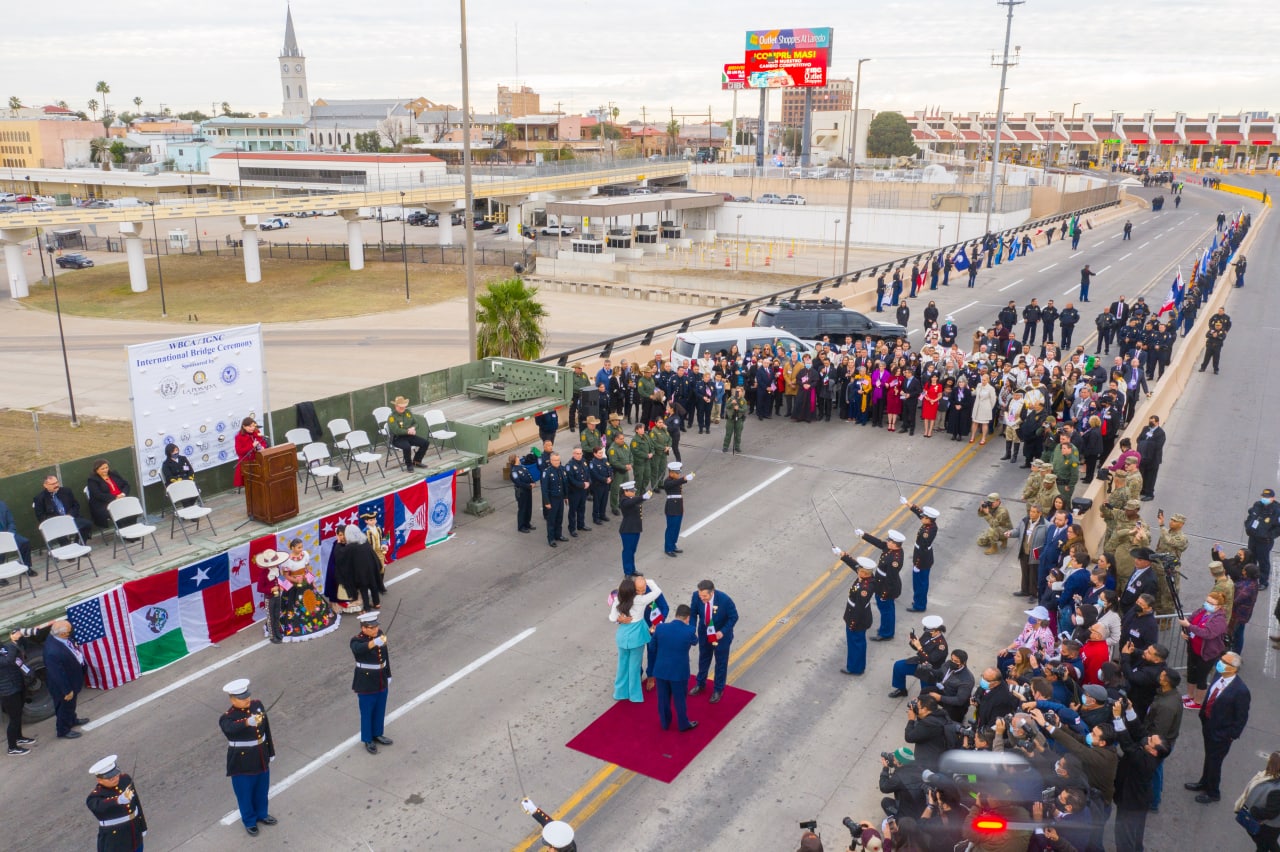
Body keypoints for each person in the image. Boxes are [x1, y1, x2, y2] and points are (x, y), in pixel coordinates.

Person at [1186, 652, 1251, 803]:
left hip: (1222, 733)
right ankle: (1204, 782)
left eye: (1224, 662)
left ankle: (1213, 792)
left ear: (1234, 669)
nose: (1220, 663)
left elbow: (1241, 717)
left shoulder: (1240, 691)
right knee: (1209, 757)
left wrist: (1230, 735)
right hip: (1208, 724)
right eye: (1221, 659)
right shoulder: (1218, 676)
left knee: (1215, 762)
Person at [219, 678, 277, 836]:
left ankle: (262, 814)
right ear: (232, 699)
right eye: (242, 698)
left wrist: (270, 752)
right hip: (242, 763)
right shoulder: (227, 717)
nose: (247, 700)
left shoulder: (257, 705)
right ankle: (250, 821)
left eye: (247, 696)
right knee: (245, 794)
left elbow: (266, 731)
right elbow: (230, 729)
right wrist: (247, 722)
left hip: (261, 756)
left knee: (261, 790)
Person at [609, 575, 664, 703]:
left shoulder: (618, 600)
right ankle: (634, 695)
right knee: (634, 666)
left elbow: (612, 618)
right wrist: (647, 580)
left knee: (622, 664)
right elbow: (657, 591)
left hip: (623, 635)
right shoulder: (641, 600)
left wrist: (619, 619)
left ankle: (620, 692)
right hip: (637, 636)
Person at [351, 611, 393, 755]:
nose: (375, 630)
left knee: (380, 708)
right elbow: (359, 649)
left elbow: (385, 656)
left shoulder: (379, 634)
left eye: (376, 627)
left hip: (381, 678)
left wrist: (388, 674)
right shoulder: (356, 640)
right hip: (366, 681)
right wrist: (374, 643)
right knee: (367, 711)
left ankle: (377, 733)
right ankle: (368, 739)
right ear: (364, 628)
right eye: (372, 627)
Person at [85, 754, 147, 852]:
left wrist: (143, 827)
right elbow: (100, 806)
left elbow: (136, 804)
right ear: (99, 779)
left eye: (116, 774)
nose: (115, 779)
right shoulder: (95, 797)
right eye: (110, 778)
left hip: (135, 833)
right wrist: (118, 800)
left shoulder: (125, 780)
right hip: (116, 841)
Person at [690, 579, 738, 703]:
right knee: (703, 658)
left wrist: (722, 632)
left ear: (712, 593)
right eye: (700, 596)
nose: (702, 598)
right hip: (704, 633)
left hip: (720, 636)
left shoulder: (724, 600)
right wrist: (691, 629)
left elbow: (734, 617)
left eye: (705, 596)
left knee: (721, 663)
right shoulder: (696, 596)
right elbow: (693, 614)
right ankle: (700, 684)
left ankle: (718, 689)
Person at [652, 604, 698, 732]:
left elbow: (652, 647)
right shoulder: (689, 631)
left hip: (661, 669)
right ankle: (683, 724)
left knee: (662, 699)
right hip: (679, 672)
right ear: (687, 618)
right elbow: (695, 641)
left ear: (676, 614)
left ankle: (665, 723)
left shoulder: (660, 628)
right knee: (680, 700)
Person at [275, 551, 340, 642]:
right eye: (298, 547)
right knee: (294, 606)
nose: (300, 549)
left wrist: (312, 581)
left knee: (313, 603)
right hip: (294, 587)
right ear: (293, 548)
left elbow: (307, 569)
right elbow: (286, 576)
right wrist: (295, 580)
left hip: (306, 584)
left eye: (301, 547)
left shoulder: (304, 555)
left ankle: (316, 622)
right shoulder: (287, 561)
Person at [1179, 590, 1228, 710]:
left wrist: (1189, 626)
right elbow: (1190, 620)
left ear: (1219, 606)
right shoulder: (1201, 611)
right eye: (1207, 601)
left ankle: (1198, 701)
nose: (1207, 604)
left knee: (1201, 677)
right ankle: (1190, 695)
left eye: (1211, 603)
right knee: (1191, 673)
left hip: (1207, 653)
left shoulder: (1219, 620)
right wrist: (1184, 631)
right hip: (1193, 648)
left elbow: (1207, 633)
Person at [856, 527, 905, 641]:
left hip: (886, 587)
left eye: (889, 541)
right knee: (888, 610)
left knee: (886, 611)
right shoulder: (891, 549)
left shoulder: (895, 560)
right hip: (881, 583)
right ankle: (886, 629)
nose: (887, 542)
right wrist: (864, 535)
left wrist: (884, 594)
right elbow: (879, 543)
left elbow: (891, 579)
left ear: (895, 544)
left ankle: (886, 633)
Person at [45, 619, 88, 739]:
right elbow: (57, 674)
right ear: (62, 634)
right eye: (69, 631)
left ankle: (72, 719)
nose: (71, 633)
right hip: (63, 685)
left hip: (72, 678)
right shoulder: (52, 652)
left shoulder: (59, 637)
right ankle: (63, 730)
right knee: (64, 707)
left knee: (71, 704)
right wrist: (66, 690)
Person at [888, 615, 948, 698]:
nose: (928, 633)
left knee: (925, 694)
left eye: (931, 631)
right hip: (920, 662)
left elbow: (930, 659)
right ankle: (901, 689)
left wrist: (919, 648)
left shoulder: (941, 646)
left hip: (930, 669)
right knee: (898, 666)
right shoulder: (928, 634)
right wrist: (913, 642)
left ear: (938, 631)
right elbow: (919, 645)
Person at [838, 555, 877, 675]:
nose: (857, 571)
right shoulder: (867, 577)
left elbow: (859, 608)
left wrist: (852, 623)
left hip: (857, 618)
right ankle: (856, 665)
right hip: (855, 614)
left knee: (856, 643)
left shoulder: (864, 589)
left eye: (859, 571)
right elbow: (854, 565)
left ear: (864, 574)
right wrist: (844, 556)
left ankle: (855, 668)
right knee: (855, 642)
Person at [1, 627, 38, 755]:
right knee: (14, 718)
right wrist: (13, 643)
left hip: (17, 685)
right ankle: (12, 747)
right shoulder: (7, 647)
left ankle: (19, 737)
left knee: (18, 714)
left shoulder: (3, 647)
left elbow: (19, 652)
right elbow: (8, 661)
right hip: (7, 692)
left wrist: (20, 639)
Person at [1234, 752, 1280, 851]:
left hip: (1269, 826)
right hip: (1267, 824)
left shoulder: (1276, 788)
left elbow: (1270, 813)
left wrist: (1253, 811)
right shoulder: (1267, 775)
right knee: (1269, 843)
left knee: (1264, 845)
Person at [33, 474, 94, 541]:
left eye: (57, 482)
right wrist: (58, 520)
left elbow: (76, 505)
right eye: (53, 484)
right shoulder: (39, 498)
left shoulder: (66, 491)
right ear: (45, 485)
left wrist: (70, 514)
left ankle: (79, 544)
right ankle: (66, 546)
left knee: (87, 524)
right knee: (59, 533)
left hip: (70, 518)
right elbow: (41, 516)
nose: (56, 485)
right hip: (55, 523)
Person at [337, 525, 383, 612]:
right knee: (373, 586)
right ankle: (377, 603)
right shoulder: (365, 542)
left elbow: (340, 557)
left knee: (363, 589)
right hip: (371, 568)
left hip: (360, 572)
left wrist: (339, 543)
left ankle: (367, 608)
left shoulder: (350, 547)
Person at [903, 502, 940, 612]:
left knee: (920, 583)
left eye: (924, 517)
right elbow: (919, 513)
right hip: (922, 557)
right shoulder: (930, 524)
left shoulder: (927, 532)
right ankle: (918, 600)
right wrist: (908, 504)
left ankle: (920, 605)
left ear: (928, 519)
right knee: (919, 582)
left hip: (922, 559)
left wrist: (917, 563)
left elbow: (922, 549)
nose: (921, 518)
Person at [1007, 504, 1047, 598]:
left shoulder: (1045, 525)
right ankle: (1024, 590)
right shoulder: (1025, 521)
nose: (1031, 513)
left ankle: (1033, 593)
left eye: (1034, 512)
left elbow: (1047, 540)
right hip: (1024, 551)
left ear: (1040, 513)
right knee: (1025, 572)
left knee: (1034, 574)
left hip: (1035, 554)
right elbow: (1018, 531)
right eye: (1030, 511)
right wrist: (1011, 533)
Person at [1244, 488, 1280, 589]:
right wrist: (1248, 526)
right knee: (1251, 558)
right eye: (1264, 496)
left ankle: (1263, 582)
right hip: (1253, 537)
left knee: (1263, 561)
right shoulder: (1257, 505)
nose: (1265, 498)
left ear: (1272, 498)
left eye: (1267, 497)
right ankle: (1251, 578)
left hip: (1264, 541)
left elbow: (1278, 528)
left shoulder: (1277, 511)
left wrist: (1269, 535)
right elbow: (1250, 516)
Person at [386, 396, 430, 470]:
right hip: (397, 438)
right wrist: (408, 431)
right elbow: (396, 430)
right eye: (400, 407)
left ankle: (417, 461)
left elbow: (416, 423)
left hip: (409, 435)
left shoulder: (408, 412)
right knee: (407, 447)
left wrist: (413, 428)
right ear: (396, 406)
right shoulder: (392, 417)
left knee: (425, 443)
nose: (402, 408)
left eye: (403, 406)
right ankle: (409, 465)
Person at [616, 481, 650, 576]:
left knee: (633, 550)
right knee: (628, 551)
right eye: (631, 491)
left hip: (635, 529)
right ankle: (627, 572)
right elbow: (631, 502)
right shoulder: (624, 500)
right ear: (626, 491)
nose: (634, 492)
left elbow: (636, 500)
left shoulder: (632, 498)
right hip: (628, 529)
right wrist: (643, 497)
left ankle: (632, 569)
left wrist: (645, 497)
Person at [85, 460, 131, 529]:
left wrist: (123, 494)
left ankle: (131, 528)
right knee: (119, 512)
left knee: (132, 508)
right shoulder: (92, 480)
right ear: (96, 470)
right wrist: (115, 497)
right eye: (102, 469)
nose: (105, 470)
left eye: (106, 467)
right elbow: (98, 495)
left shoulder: (114, 474)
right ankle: (124, 532)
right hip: (104, 504)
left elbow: (126, 485)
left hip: (121, 499)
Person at [540, 452, 568, 548]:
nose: (557, 462)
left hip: (560, 498)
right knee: (551, 520)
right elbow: (544, 489)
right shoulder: (547, 472)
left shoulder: (562, 469)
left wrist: (565, 496)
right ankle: (551, 539)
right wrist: (546, 502)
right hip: (552, 499)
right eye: (555, 460)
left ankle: (558, 535)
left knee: (559, 518)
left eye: (558, 460)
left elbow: (564, 484)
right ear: (551, 461)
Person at [232, 417, 270, 488]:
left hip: (258, 459)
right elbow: (239, 451)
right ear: (244, 426)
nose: (252, 428)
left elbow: (263, 442)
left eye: (253, 426)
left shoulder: (257, 432)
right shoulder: (239, 437)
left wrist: (262, 447)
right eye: (250, 426)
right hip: (247, 462)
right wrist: (252, 446)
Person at [0, 500, 32, 580]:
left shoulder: (2, 505)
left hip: (8, 535)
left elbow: (11, 522)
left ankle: (26, 567)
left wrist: (9, 534)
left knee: (25, 543)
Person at [564, 447, 591, 537]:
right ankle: (572, 529)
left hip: (583, 491)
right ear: (573, 454)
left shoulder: (583, 461)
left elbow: (587, 474)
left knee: (582, 508)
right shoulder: (569, 465)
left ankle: (581, 525)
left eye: (580, 453)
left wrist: (588, 482)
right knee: (573, 511)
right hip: (574, 492)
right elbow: (571, 480)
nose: (579, 455)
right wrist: (583, 484)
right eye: (577, 454)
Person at [509, 453, 535, 534]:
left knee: (528, 508)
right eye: (517, 457)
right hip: (522, 492)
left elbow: (529, 475)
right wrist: (528, 485)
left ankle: (527, 523)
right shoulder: (514, 471)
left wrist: (532, 482)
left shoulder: (522, 467)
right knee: (522, 509)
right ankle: (521, 526)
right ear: (514, 459)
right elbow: (518, 482)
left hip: (528, 490)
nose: (518, 457)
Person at [587, 445, 612, 526]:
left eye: (601, 453)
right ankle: (596, 517)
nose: (601, 454)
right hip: (598, 486)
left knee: (604, 500)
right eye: (599, 453)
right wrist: (605, 479)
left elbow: (610, 469)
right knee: (597, 502)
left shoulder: (605, 460)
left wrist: (611, 477)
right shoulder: (592, 463)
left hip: (606, 485)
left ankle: (602, 515)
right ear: (594, 454)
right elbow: (595, 475)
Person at [722, 386, 747, 453]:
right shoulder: (731, 398)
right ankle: (725, 446)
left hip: (739, 419)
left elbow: (744, 409)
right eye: (737, 391)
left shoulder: (743, 400)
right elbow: (727, 406)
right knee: (728, 433)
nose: (737, 393)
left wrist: (738, 409)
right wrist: (731, 403)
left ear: (742, 392)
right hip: (730, 419)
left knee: (738, 434)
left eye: (739, 391)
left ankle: (737, 446)